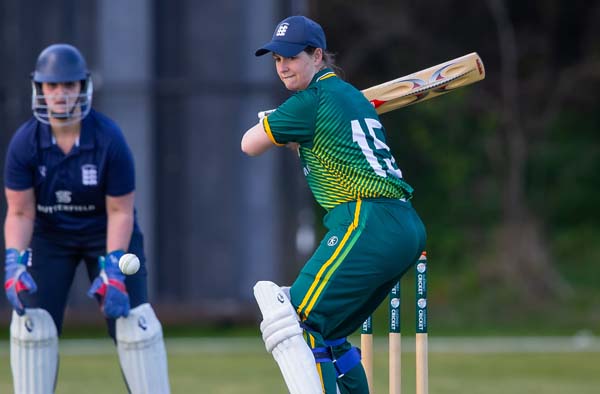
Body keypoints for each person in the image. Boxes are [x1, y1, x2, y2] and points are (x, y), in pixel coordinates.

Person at [242, 16, 427, 394]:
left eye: (292, 57)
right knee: (329, 333)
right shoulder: (351, 97)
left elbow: (249, 144)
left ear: (317, 55)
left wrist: (273, 125)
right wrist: (289, 135)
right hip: (403, 225)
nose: (283, 67)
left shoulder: (309, 102)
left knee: (295, 320)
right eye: (277, 60)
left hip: (366, 220)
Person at [3, 43, 170, 394]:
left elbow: (120, 211)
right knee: (32, 326)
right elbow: (19, 211)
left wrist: (112, 268)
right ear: (40, 89)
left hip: (106, 232)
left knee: (135, 323)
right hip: (49, 237)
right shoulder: (24, 143)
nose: (61, 94)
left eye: (69, 85)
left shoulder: (109, 139)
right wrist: (14, 263)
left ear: (83, 86)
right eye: (52, 86)